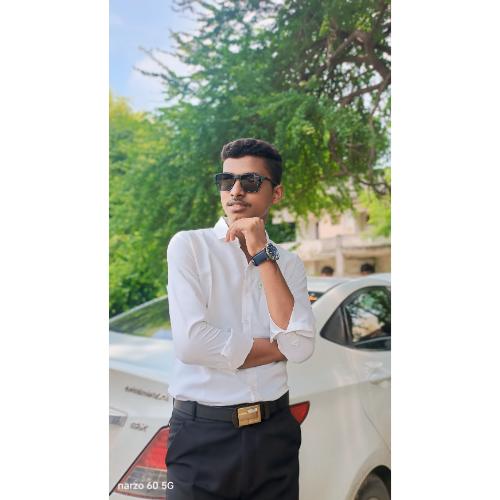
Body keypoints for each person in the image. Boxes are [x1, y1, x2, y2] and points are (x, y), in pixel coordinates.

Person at [165, 138, 315, 500]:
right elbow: (192, 345)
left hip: (274, 433)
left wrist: (263, 254)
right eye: (226, 180)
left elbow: (300, 348)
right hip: (203, 436)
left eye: (250, 181)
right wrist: (277, 347)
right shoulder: (189, 246)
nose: (235, 191)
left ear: (276, 193)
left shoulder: (289, 263)